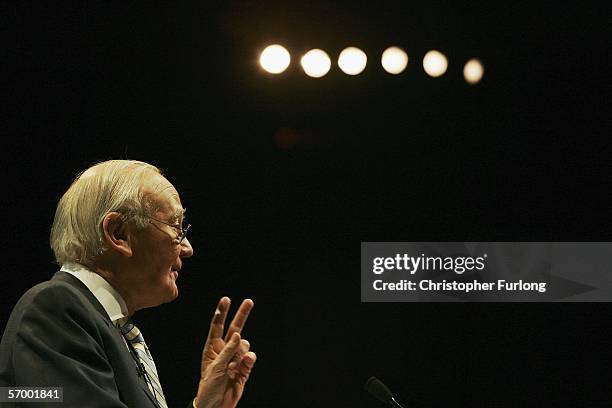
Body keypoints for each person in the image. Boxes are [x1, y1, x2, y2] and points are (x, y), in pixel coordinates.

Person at [0, 160, 256, 407]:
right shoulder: (56, 310)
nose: (188, 248)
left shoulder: (109, 327)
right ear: (118, 233)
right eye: (177, 228)